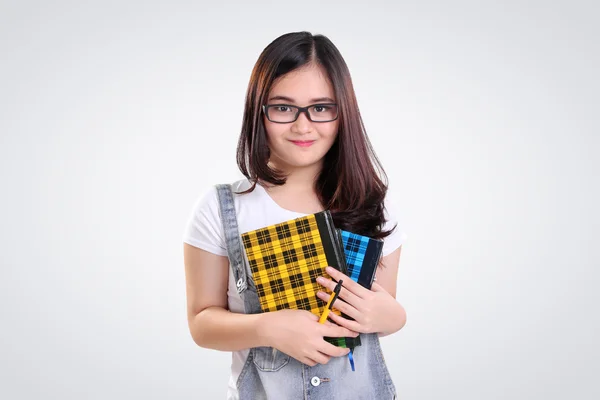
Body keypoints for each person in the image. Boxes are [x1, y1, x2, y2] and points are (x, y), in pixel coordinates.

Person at [183, 31, 407, 400]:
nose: (303, 126)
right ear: (259, 111)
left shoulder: (375, 203)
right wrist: (269, 328)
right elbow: (201, 324)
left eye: (320, 108)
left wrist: (395, 317)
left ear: (343, 113)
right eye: (284, 108)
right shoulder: (221, 208)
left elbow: (381, 313)